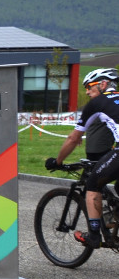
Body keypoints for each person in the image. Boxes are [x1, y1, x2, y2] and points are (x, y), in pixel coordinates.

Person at [47, 68, 119, 248]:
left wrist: (57, 161)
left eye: (89, 86)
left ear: (103, 84)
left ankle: (93, 236)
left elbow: (73, 138)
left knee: (93, 184)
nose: (87, 92)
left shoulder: (98, 103)